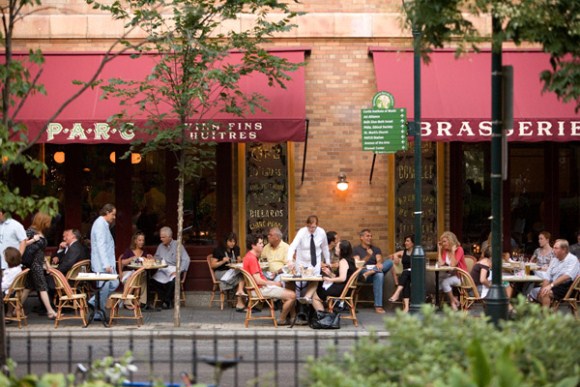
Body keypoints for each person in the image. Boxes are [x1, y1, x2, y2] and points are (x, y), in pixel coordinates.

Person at [243, 234, 296, 326]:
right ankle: (282, 319)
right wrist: (275, 283)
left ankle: (292, 317)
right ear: (253, 245)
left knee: (288, 287)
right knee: (292, 295)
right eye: (260, 243)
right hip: (259, 290)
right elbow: (259, 281)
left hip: (256, 288)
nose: (262, 245)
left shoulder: (249, 256)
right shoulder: (251, 259)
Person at [19, 212, 58, 320]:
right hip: (35, 265)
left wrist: (48, 265)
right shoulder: (31, 231)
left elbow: (41, 251)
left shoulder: (40, 231)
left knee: (27, 288)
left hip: (37, 263)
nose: (49, 224)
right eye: (47, 222)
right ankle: (50, 311)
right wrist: (34, 240)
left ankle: (15, 310)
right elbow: (21, 244)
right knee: (43, 287)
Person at [528, 239, 579, 307]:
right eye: (553, 248)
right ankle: (545, 313)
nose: (553, 250)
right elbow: (547, 276)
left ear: (563, 250)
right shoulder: (554, 260)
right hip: (555, 286)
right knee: (538, 291)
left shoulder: (572, 259)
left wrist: (550, 286)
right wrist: (543, 287)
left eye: (556, 248)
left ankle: (546, 316)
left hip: (567, 288)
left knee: (545, 293)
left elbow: (566, 276)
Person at [353, 228, 394, 314]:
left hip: (372, 272)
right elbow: (358, 265)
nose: (370, 238)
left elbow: (379, 260)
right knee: (379, 274)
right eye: (367, 236)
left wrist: (378, 264)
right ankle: (379, 306)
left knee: (389, 263)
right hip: (364, 273)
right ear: (361, 237)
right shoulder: (356, 249)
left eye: (371, 236)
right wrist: (368, 256)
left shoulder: (376, 249)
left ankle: (378, 306)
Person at [89, 203, 120, 318]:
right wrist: (106, 264)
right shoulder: (100, 225)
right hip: (102, 264)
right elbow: (101, 246)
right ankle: (98, 313)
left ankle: (93, 302)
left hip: (106, 263)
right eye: (113, 214)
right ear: (107, 213)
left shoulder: (103, 224)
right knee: (105, 286)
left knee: (113, 283)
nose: (114, 217)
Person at [311, 240, 357, 313]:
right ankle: (325, 312)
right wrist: (330, 274)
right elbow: (342, 276)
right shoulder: (350, 260)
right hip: (345, 288)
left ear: (342, 250)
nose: (335, 248)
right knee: (319, 287)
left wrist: (330, 280)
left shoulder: (343, 261)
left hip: (341, 289)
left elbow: (342, 278)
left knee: (315, 297)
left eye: (337, 247)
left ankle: (323, 318)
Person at [151, 226, 190, 309]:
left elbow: (186, 259)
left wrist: (178, 271)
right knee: (152, 281)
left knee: (173, 281)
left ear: (169, 237)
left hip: (175, 268)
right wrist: (153, 258)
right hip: (163, 269)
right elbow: (157, 258)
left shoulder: (178, 245)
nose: (161, 239)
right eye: (160, 237)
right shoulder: (160, 246)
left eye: (163, 237)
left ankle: (166, 301)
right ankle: (166, 300)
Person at [210, 232, 245, 311]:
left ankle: (238, 301)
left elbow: (238, 259)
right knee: (240, 278)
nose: (233, 243)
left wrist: (240, 260)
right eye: (230, 241)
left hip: (232, 271)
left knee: (242, 275)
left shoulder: (236, 249)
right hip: (220, 272)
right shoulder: (218, 250)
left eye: (234, 241)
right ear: (226, 241)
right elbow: (213, 265)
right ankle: (239, 301)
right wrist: (222, 261)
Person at [437, 231, 468, 311]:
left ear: (450, 240)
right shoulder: (445, 250)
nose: (443, 244)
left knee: (444, 282)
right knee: (437, 282)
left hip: (461, 276)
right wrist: (439, 250)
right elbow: (441, 263)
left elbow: (453, 265)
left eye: (444, 241)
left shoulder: (459, 249)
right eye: (442, 242)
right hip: (450, 275)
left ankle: (452, 301)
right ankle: (453, 298)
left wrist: (453, 251)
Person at [388, 234, 415, 312]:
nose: (405, 243)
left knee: (405, 273)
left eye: (408, 241)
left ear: (413, 243)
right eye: (405, 241)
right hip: (406, 276)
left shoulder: (417, 252)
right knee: (405, 281)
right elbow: (391, 256)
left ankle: (397, 293)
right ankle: (406, 307)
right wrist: (395, 256)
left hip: (414, 275)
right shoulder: (404, 252)